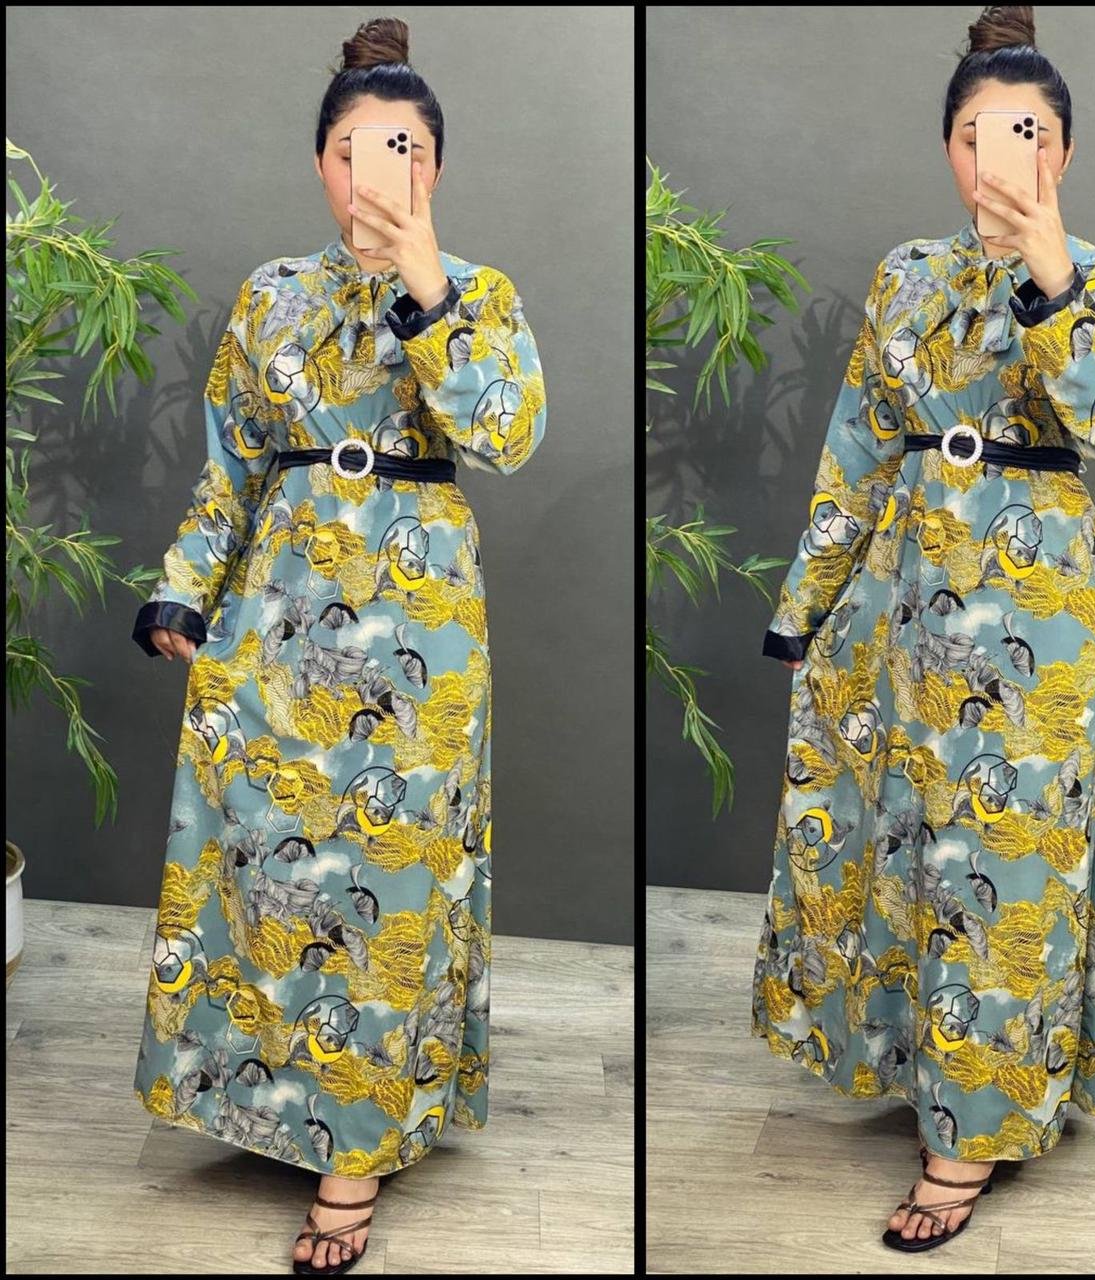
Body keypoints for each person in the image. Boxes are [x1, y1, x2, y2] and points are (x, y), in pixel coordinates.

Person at [130, 17, 546, 1275]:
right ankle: (266, 1096)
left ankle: (353, 1150)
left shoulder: (477, 294)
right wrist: (182, 590)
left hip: (417, 627)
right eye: (360, 148)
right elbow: (229, 468)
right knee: (267, 866)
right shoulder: (271, 294)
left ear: (436, 168)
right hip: (277, 613)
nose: (381, 170)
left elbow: (508, 432)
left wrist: (423, 284)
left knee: (385, 879)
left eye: (407, 149)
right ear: (322, 163)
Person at [750, 4, 1095, 1255]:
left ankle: (969, 1128)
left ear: (1063, 150)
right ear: (947, 147)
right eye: (977, 130)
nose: (1000, 152)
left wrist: (1048, 270)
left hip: (1037, 610)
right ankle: (916, 1061)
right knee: (906, 846)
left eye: (1026, 131)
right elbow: (857, 445)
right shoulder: (905, 275)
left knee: (1006, 856)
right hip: (898, 589)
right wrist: (805, 603)